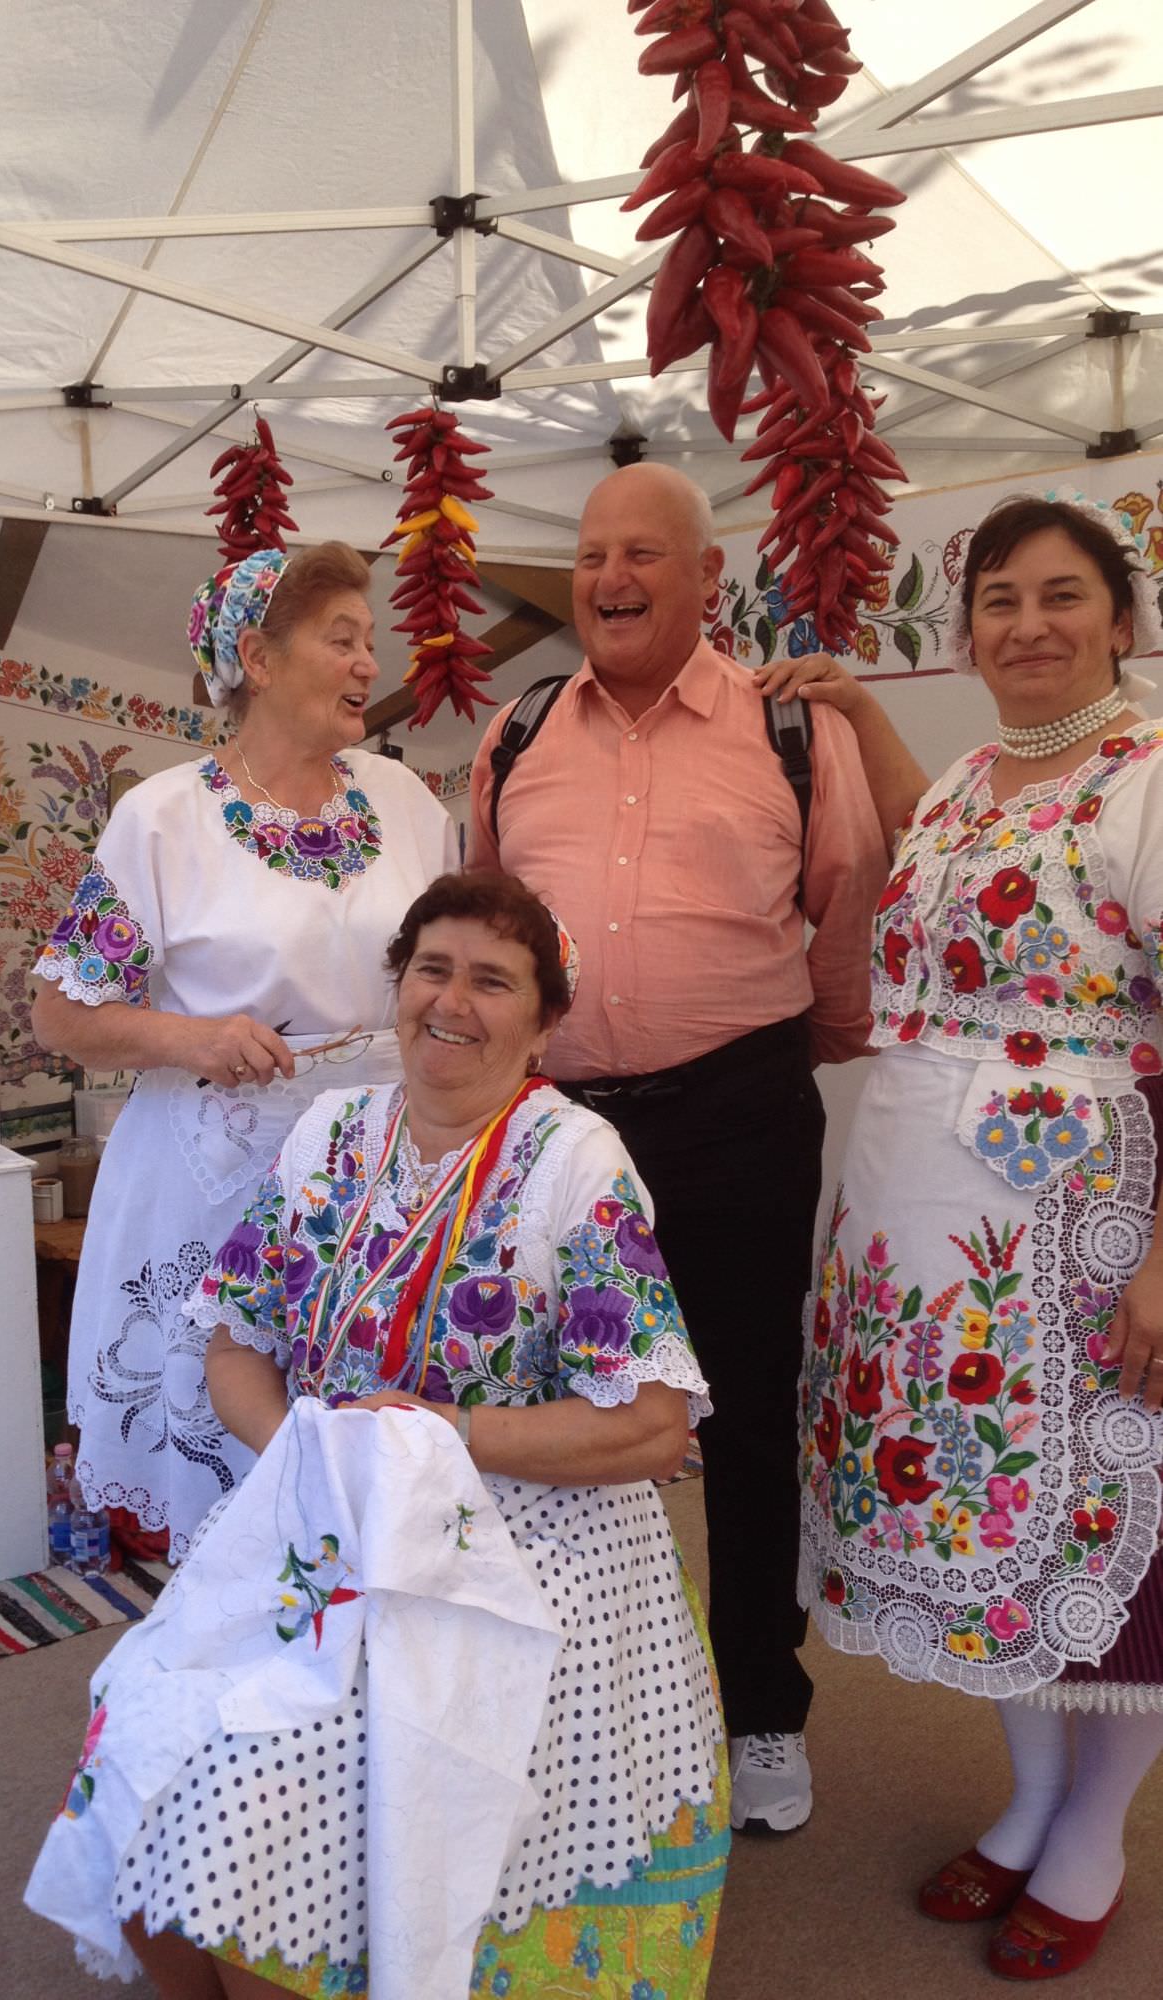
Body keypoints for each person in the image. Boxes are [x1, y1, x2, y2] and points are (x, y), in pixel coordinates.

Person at [26, 871, 728, 1999]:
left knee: (278, 1799)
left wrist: (443, 1434)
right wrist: (311, 1453)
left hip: (516, 1548)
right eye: (432, 969)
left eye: (493, 980)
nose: (452, 1001)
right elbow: (234, 1341)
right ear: (398, 987)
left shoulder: (575, 1162)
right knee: (139, 1742)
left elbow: (647, 1426)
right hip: (326, 1517)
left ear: (545, 1018)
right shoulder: (332, 1130)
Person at [467, 461, 887, 1833]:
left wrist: (780, 1058)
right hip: (560, 1133)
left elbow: (846, 912)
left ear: (711, 579)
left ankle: (761, 1708)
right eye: (591, 555)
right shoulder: (517, 729)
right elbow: (485, 926)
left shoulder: (787, 735)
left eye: (645, 553)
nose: (611, 579)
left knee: (751, 1420)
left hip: (739, 1113)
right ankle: (561, 1706)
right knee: (551, 1417)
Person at [777, 493, 1163, 1979]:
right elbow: (958, 870)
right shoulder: (966, 789)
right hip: (925, 1225)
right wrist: (864, 718)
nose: (1030, 626)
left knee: (1099, 1527)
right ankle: (1032, 1795)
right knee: (981, 1515)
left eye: (1064, 597)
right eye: (999, 600)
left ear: (1121, 621)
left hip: (1083, 1223)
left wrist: (1161, 1255)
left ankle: (1090, 1833)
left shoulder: (1144, 780)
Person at [30, 542, 458, 1558]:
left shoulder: (406, 805)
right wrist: (193, 1036)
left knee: (373, 1461)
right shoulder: (163, 819)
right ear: (258, 660)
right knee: (228, 1476)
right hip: (214, 1184)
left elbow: (452, 964)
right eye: (340, 639)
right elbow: (60, 1013)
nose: (368, 663)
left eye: (371, 640)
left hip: (378, 1177)